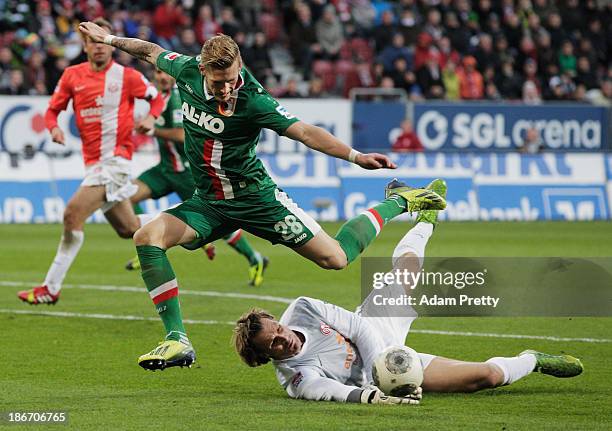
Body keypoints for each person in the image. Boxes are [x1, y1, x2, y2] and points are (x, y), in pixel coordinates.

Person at [78, 22, 446, 371]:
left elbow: (304, 131)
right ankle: (177, 339)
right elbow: (149, 50)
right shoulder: (186, 71)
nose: (227, 88)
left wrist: (355, 156)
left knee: (335, 258)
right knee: (147, 237)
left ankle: (399, 199)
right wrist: (108, 39)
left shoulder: (253, 100)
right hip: (208, 202)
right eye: (219, 82)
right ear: (203, 70)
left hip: (257, 200)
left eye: (232, 78)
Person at [234, 180, 583, 404]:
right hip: (393, 373)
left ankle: (424, 218)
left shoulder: (303, 308)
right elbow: (332, 392)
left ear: (277, 321)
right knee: (485, 378)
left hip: (375, 329)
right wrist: (376, 392)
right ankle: (533, 359)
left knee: (407, 273)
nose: (283, 340)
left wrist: (379, 368)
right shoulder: (295, 378)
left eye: (277, 330)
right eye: (274, 345)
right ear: (265, 357)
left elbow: (358, 328)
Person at [17, 18, 165, 305]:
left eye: (103, 41)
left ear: (110, 45)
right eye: (92, 42)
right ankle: (184, 219)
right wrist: (55, 127)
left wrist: (150, 116)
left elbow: (156, 98)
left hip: (116, 162)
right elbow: (51, 111)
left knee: (72, 214)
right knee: (128, 228)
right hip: (93, 163)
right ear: (84, 46)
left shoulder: (127, 76)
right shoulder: (72, 76)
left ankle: (51, 287)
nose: (98, 47)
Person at [126, 68, 269, 286]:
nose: (162, 76)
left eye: (165, 73)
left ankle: (254, 258)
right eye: (157, 72)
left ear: (173, 75)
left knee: (216, 221)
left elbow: (181, 135)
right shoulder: (158, 98)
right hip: (164, 170)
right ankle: (148, 243)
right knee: (126, 196)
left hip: (187, 172)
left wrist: (152, 130)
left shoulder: (176, 98)